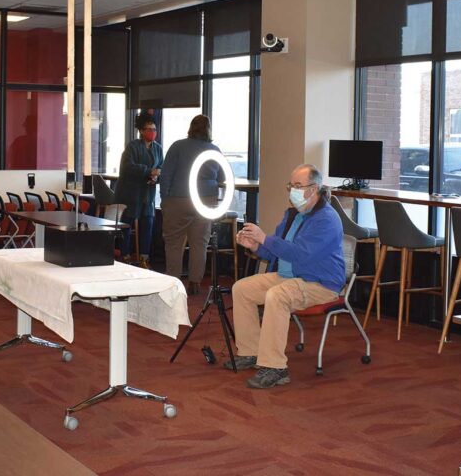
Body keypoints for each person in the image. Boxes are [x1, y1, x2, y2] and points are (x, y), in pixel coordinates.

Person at [229, 163, 344, 389]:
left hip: (320, 283)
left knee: (277, 295)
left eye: (298, 186)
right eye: (291, 185)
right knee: (241, 289)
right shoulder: (293, 214)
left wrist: (264, 238)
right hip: (291, 277)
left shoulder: (327, 219)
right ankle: (250, 352)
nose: (293, 190)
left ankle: (275, 368)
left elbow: (302, 255)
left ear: (314, 189)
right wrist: (255, 246)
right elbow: (276, 249)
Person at [160, 115, 223, 295]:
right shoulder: (214, 150)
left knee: (174, 242)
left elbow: (166, 175)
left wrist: (165, 199)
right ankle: (195, 283)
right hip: (205, 200)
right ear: (208, 129)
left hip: (178, 199)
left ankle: (174, 282)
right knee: (199, 243)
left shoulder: (177, 146)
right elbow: (222, 177)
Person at [114, 113, 163, 269]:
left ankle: (144, 258)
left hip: (148, 194)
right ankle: (125, 256)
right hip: (130, 193)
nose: (152, 132)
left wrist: (156, 177)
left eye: (154, 129)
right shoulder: (132, 146)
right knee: (126, 225)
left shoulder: (158, 149)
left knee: (148, 224)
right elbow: (127, 167)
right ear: (141, 130)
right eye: (149, 129)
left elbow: (161, 168)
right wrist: (149, 171)